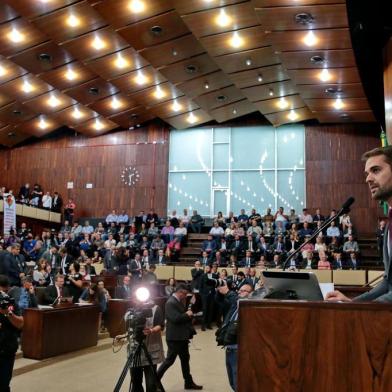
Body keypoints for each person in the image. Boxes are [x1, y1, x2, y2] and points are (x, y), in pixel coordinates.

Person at [327, 146, 392, 303]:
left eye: (375, 170)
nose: (368, 179)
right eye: (367, 173)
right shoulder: (389, 226)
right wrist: (353, 304)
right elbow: (387, 284)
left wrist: (362, 311)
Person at [157, 284, 202, 390]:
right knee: (169, 361)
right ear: (180, 292)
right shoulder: (171, 302)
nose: (186, 296)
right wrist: (187, 314)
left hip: (181, 337)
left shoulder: (178, 301)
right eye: (185, 294)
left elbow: (182, 314)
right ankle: (155, 381)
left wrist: (189, 311)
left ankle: (188, 382)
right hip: (174, 338)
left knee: (185, 359)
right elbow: (175, 318)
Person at [217, 282, 253, 391]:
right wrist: (220, 291)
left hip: (239, 350)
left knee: (238, 382)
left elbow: (236, 299)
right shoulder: (235, 306)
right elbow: (219, 301)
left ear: (251, 294)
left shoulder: (249, 308)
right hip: (229, 348)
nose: (240, 293)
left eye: (244, 291)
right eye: (240, 290)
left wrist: (228, 292)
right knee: (232, 381)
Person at [0, 275, 24, 392]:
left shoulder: (10, 303)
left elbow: (20, 324)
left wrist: (8, 313)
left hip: (6, 348)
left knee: (4, 384)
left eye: (4, 291)